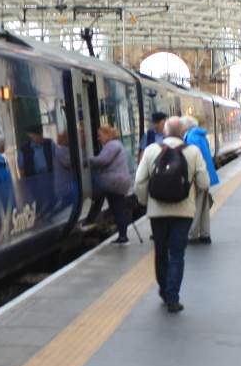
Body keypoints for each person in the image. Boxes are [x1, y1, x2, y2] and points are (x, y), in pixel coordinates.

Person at [135, 116, 210, 312]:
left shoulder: (151, 150)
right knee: (177, 253)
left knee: (161, 252)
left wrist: (145, 202)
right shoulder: (193, 152)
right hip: (183, 212)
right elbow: (204, 183)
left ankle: (163, 288)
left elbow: (139, 182)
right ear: (183, 132)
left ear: (165, 132)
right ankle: (172, 297)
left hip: (157, 212)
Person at [91, 124, 134, 244]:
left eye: (100, 136)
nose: (99, 139)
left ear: (107, 134)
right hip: (118, 182)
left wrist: (87, 160)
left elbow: (102, 160)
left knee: (117, 208)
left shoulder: (111, 145)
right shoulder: (116, 144)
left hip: (114, 183)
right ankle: (122, 235)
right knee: (117, 208)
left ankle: (122, 236)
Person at [181, 114, 219, 244]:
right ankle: (205, 234)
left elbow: (192, 159)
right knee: (203, 206)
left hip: (198, 175)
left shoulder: (191, 138)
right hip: (206, 174)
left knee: (195, 205)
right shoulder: (200, 136)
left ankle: (192, 234)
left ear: (186, 126)